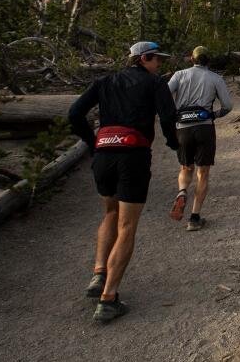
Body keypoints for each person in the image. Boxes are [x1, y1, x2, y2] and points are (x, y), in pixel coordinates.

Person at [68, 40, 178, 323]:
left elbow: (74, 113)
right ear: (145, 59)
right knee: (127, 226)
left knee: (109, 213)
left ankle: (99, 273)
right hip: (133, 154)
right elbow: (167, 117)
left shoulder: (104, 81)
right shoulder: (155, 84)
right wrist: (175, 145)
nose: (160, 65)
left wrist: (93, 144)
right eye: (157, 60)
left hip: (104, 154)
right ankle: (108, 298)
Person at [166, 46, 232, 231]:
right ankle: (194, 218)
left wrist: (174, 113)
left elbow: (164, 94)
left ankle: (182, 191)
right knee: (203, 173)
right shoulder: (215, 78)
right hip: (204, 127)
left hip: (183, 128)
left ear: (191, 59)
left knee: (186, 168)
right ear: (208, 61)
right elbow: (228, 105)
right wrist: (215, 115)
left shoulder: (179, 75)